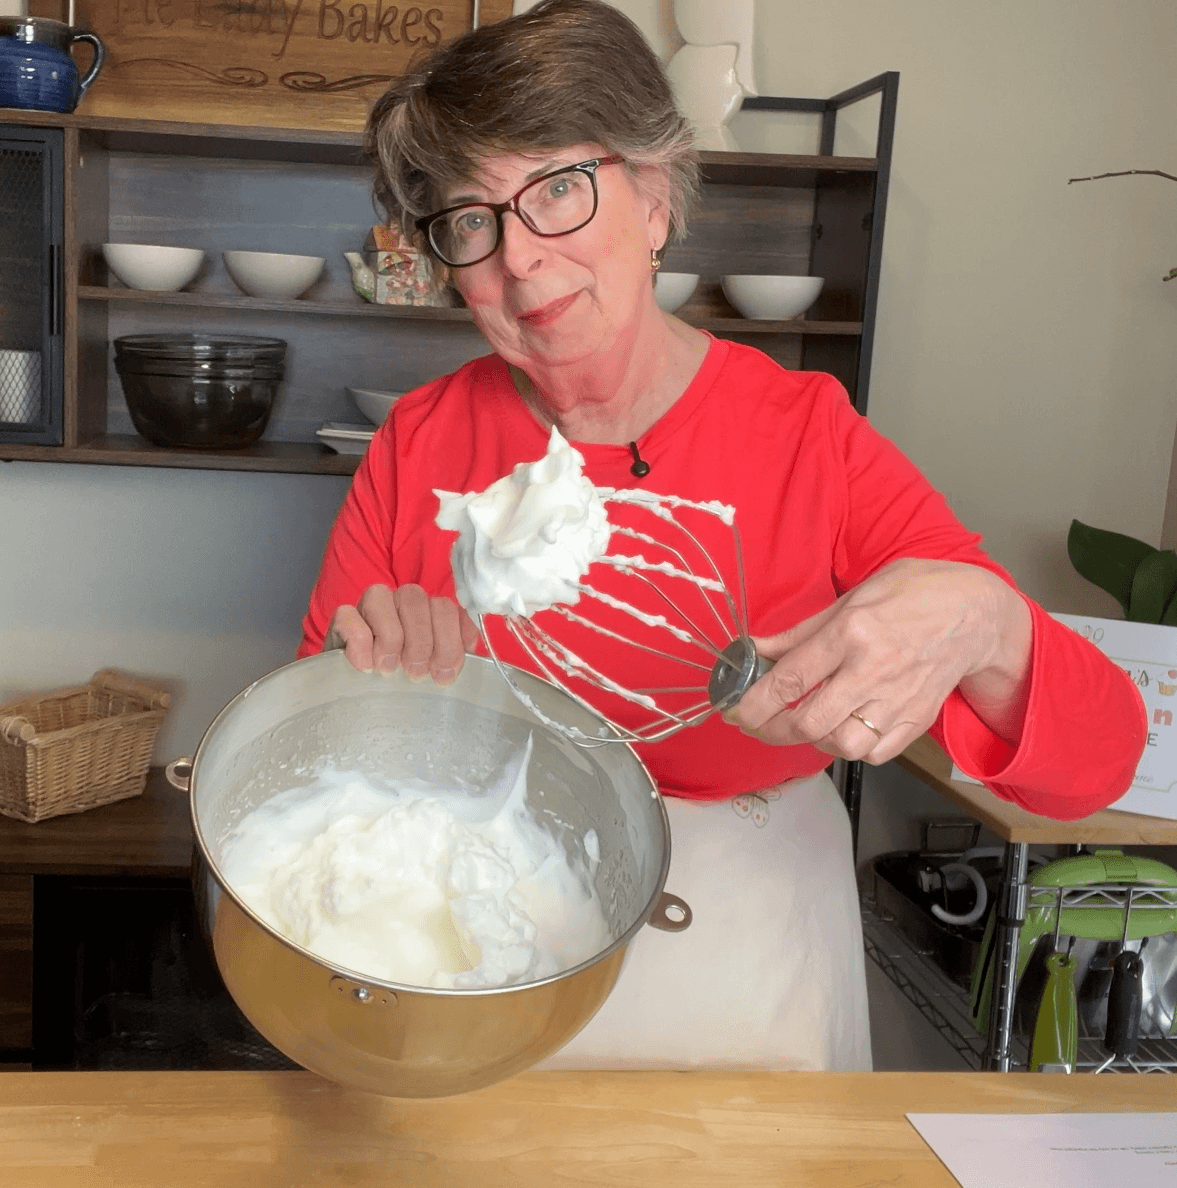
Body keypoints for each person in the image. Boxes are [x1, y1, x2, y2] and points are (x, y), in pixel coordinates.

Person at [298, 0, 1146, 1071]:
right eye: (472, 219)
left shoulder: (808, 441)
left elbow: (1096, 762)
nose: (520, 260)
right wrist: (355, 682)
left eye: (559, 188)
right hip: (478, 951)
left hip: (747, 973)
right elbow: (311, 749)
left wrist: (986, 626)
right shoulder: (417, 447)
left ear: (654, 196)